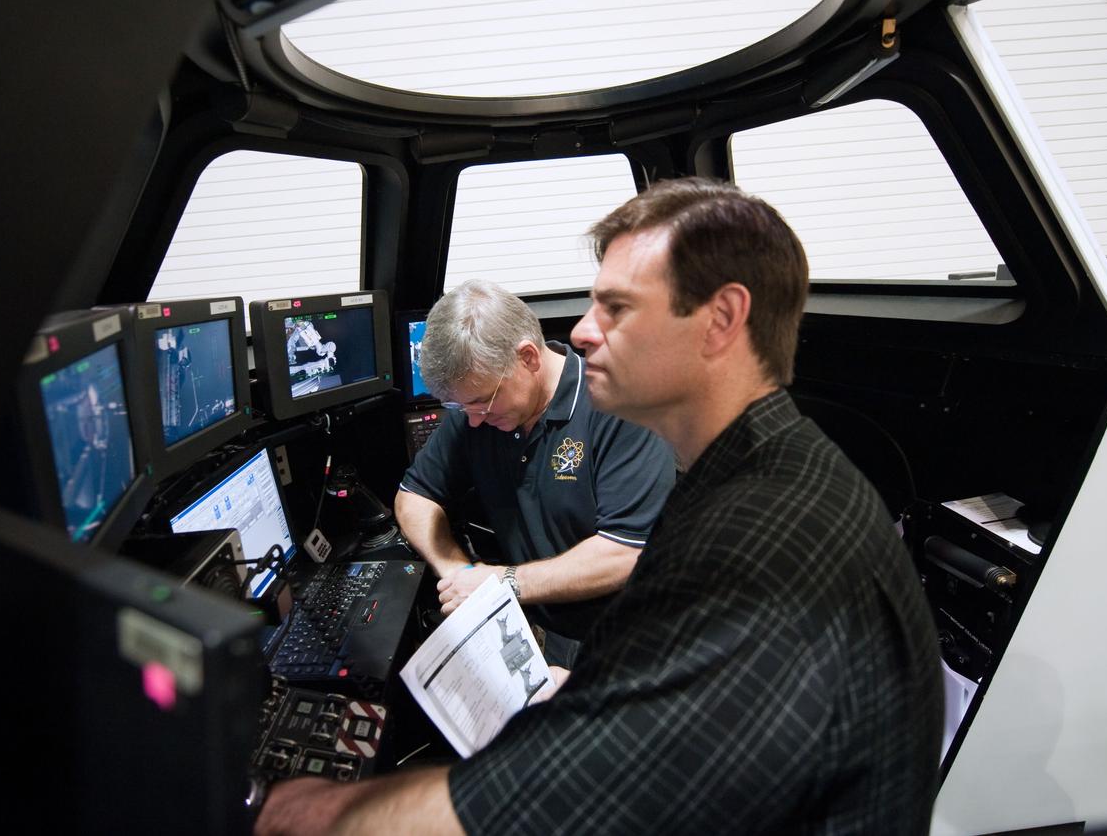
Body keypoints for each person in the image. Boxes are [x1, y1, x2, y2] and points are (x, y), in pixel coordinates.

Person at [254, 178, 943, 836]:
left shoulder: (764, 543)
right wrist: (582, 684)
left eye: (616, 308)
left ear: (722, 319)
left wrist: (318, 811)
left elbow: (558, 801)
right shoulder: (744, 478)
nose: (581, 332)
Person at [395, 279, 676, 666]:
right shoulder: (478, 410)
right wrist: (459, 574)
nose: (473, 421)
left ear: (527, 358)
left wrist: (502, 583)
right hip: (530, 628)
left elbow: (624, 553)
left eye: (480, 403)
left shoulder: (622, 406)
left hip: (621, 642)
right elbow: (413, 497)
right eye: (462, 408)